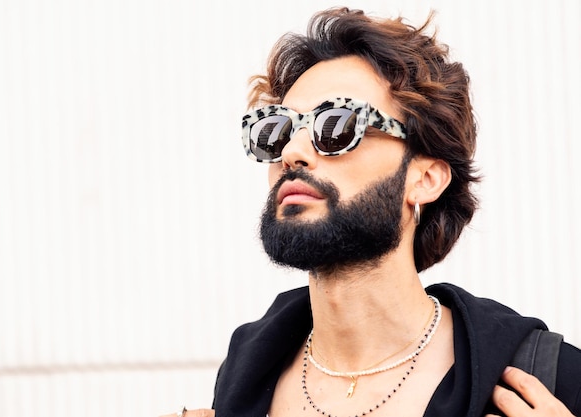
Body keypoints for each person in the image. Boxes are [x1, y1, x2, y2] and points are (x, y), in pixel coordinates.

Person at [163, 7, 581, 417]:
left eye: (336, 125)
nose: (291, 153)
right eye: (276, 131)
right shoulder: (245, 379)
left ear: (425, 179)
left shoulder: (545, 379)